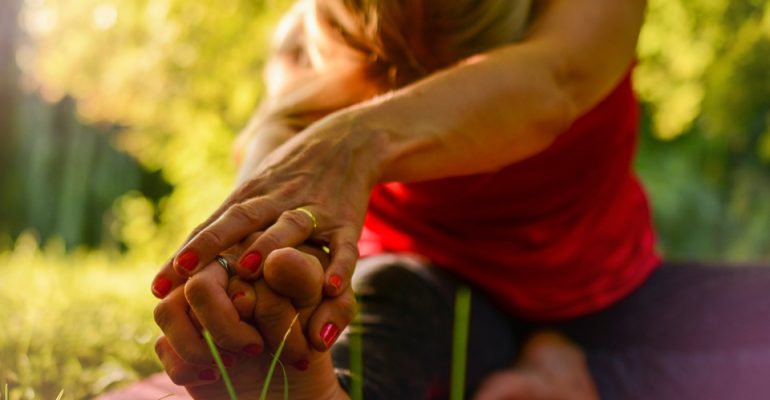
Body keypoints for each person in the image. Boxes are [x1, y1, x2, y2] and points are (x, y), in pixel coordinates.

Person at [150, 0, 770, 399]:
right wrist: (246, 267)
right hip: (432, 284)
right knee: (383, 314)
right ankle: (315, 385)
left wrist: (350, 141)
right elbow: (272, 146)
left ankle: (581, 380)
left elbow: (551, 84)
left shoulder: (591, 15)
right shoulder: (311, 44)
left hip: (611, 292)